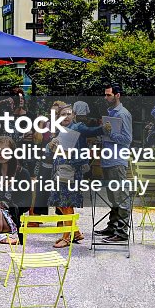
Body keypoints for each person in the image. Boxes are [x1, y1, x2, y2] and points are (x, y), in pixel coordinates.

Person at [47, 105, 103, 247]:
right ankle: (76, 232)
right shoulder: (60, 130)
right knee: (59, 202)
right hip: (59, 168)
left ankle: (67, 237)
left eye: (68, 114)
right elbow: (51, 151)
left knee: (66, 203)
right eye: (63, 114)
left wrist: (103, 128)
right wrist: (50, 145)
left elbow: (92, 131)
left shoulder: (78, 127)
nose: (66, 116)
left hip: (71, 170)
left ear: (74, 115)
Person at [97, 84, 134, 243]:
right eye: (105, 95)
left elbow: (127, 139)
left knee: (121, 196)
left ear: (117, 95)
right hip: (108, 160)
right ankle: (112, 226)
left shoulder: (123, 114)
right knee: (113, 196)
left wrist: (109, 132)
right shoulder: (111, 113)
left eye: (109, 95)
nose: (106, 98)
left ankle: (122, 232)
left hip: (117, 161)